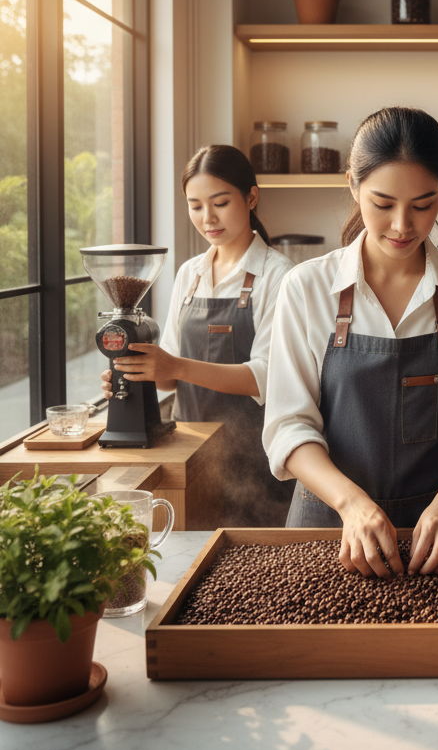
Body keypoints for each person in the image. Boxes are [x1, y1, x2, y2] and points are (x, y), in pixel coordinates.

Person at [262, 106, 438, 577]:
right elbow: (288, 427)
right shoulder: (306, 287)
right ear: (353, 187)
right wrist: (351, 504)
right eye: (382, 204)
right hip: (328, 528)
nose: (402, 225)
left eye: (423, 205)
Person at [102, 145, 295, 526]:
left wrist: (173, 364)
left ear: (251, 197)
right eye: (195, 205)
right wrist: (134, 373)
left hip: (256, 458)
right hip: (189, 454)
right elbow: (170, 379)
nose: (207, 218)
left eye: (220, 202)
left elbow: (268, 376)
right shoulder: (189, 274)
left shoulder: (281, 275)